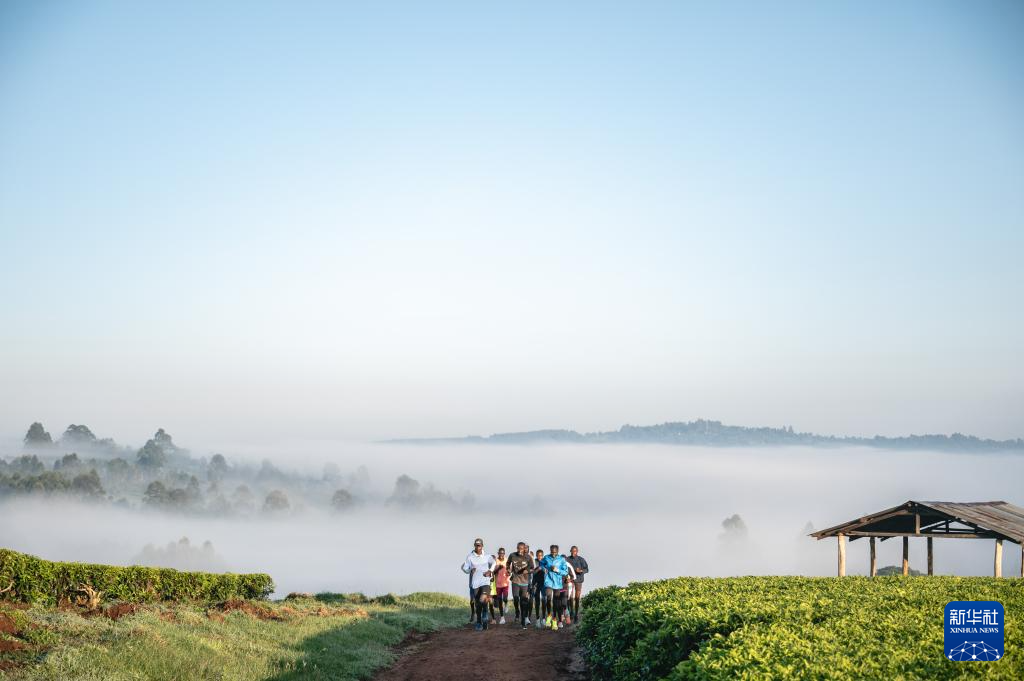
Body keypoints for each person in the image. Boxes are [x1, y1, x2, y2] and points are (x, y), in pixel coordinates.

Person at [461, 537, 496, 630]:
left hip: (485, 582)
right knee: (478, 604)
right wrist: (470, 570)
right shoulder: (470, 557)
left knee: (482, 599)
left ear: (482, 546)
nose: (478, 547)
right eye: (476, 545)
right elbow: (465, 568)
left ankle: (485, 615)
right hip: (475, 583)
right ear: (474, 546)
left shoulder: (487, 556)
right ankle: (479, 622)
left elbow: (494, 563)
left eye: (479, 545)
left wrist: (490, 571)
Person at [538, 544, 569, 630]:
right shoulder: (546, 557)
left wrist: (557, 570)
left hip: (557, 583)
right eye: (552, 552)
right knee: (548, 597)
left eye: (555, 552)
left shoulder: (561, 559)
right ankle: (549, 615)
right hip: (548, 581)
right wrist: (544, 568)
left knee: (556, 602)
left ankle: (554, 619)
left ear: (558, 551)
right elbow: (541, 564)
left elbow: (565, 572)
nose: (553, 554)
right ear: (550, 551)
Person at [506, 541, 535, 629]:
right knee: (515, 598)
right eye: (518, 548)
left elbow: (532, 568)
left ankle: (523, 621)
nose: (519, 550)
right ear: (517, 548)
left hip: (525, 582)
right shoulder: (512, 555)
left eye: (521, 549)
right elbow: (508, 563)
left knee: (523, 602)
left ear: (524, 549)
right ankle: (517, 611)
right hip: (515, 580)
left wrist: (527, 571)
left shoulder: (528, 557)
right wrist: (508, 569)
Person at [565, 545, 589, 623]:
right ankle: (571, 612)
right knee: (570, 597)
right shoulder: (567, 559)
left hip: (579, 580)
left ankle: (576, 615)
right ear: (570, 551)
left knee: (577, 598)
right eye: (572, 551)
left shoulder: (581, 559)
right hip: (571, 580)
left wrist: (581, 570)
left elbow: (587, 569)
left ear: (577, 551)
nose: (573, 552)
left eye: (575, 551)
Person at [492, 547, 510, 624]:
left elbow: (509, 571)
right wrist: (498, 568)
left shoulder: (507, 561)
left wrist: (509, 572)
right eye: (500, 553)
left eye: (503, 553)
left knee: (505, 598)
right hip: (498, 584)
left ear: (504, 554)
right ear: (498, 553)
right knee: (499, 600)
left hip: (505, 583)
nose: (501, 554)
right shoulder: (495, 561)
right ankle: (502, 618)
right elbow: (493, 572)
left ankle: (506, 603)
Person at [531, 548, 546, 627]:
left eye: (541, 555)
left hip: (544, 584)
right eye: (538, 555)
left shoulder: (545, 562)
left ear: (543, 556)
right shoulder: (534, 562)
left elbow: (547, 571)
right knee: (537, 602)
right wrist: (538, 569)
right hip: (535, 583)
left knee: (544, 600)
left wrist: (542, 569)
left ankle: (543, 618)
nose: (539, 557)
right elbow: (532, 572)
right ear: (536, 555)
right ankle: (537, 619)